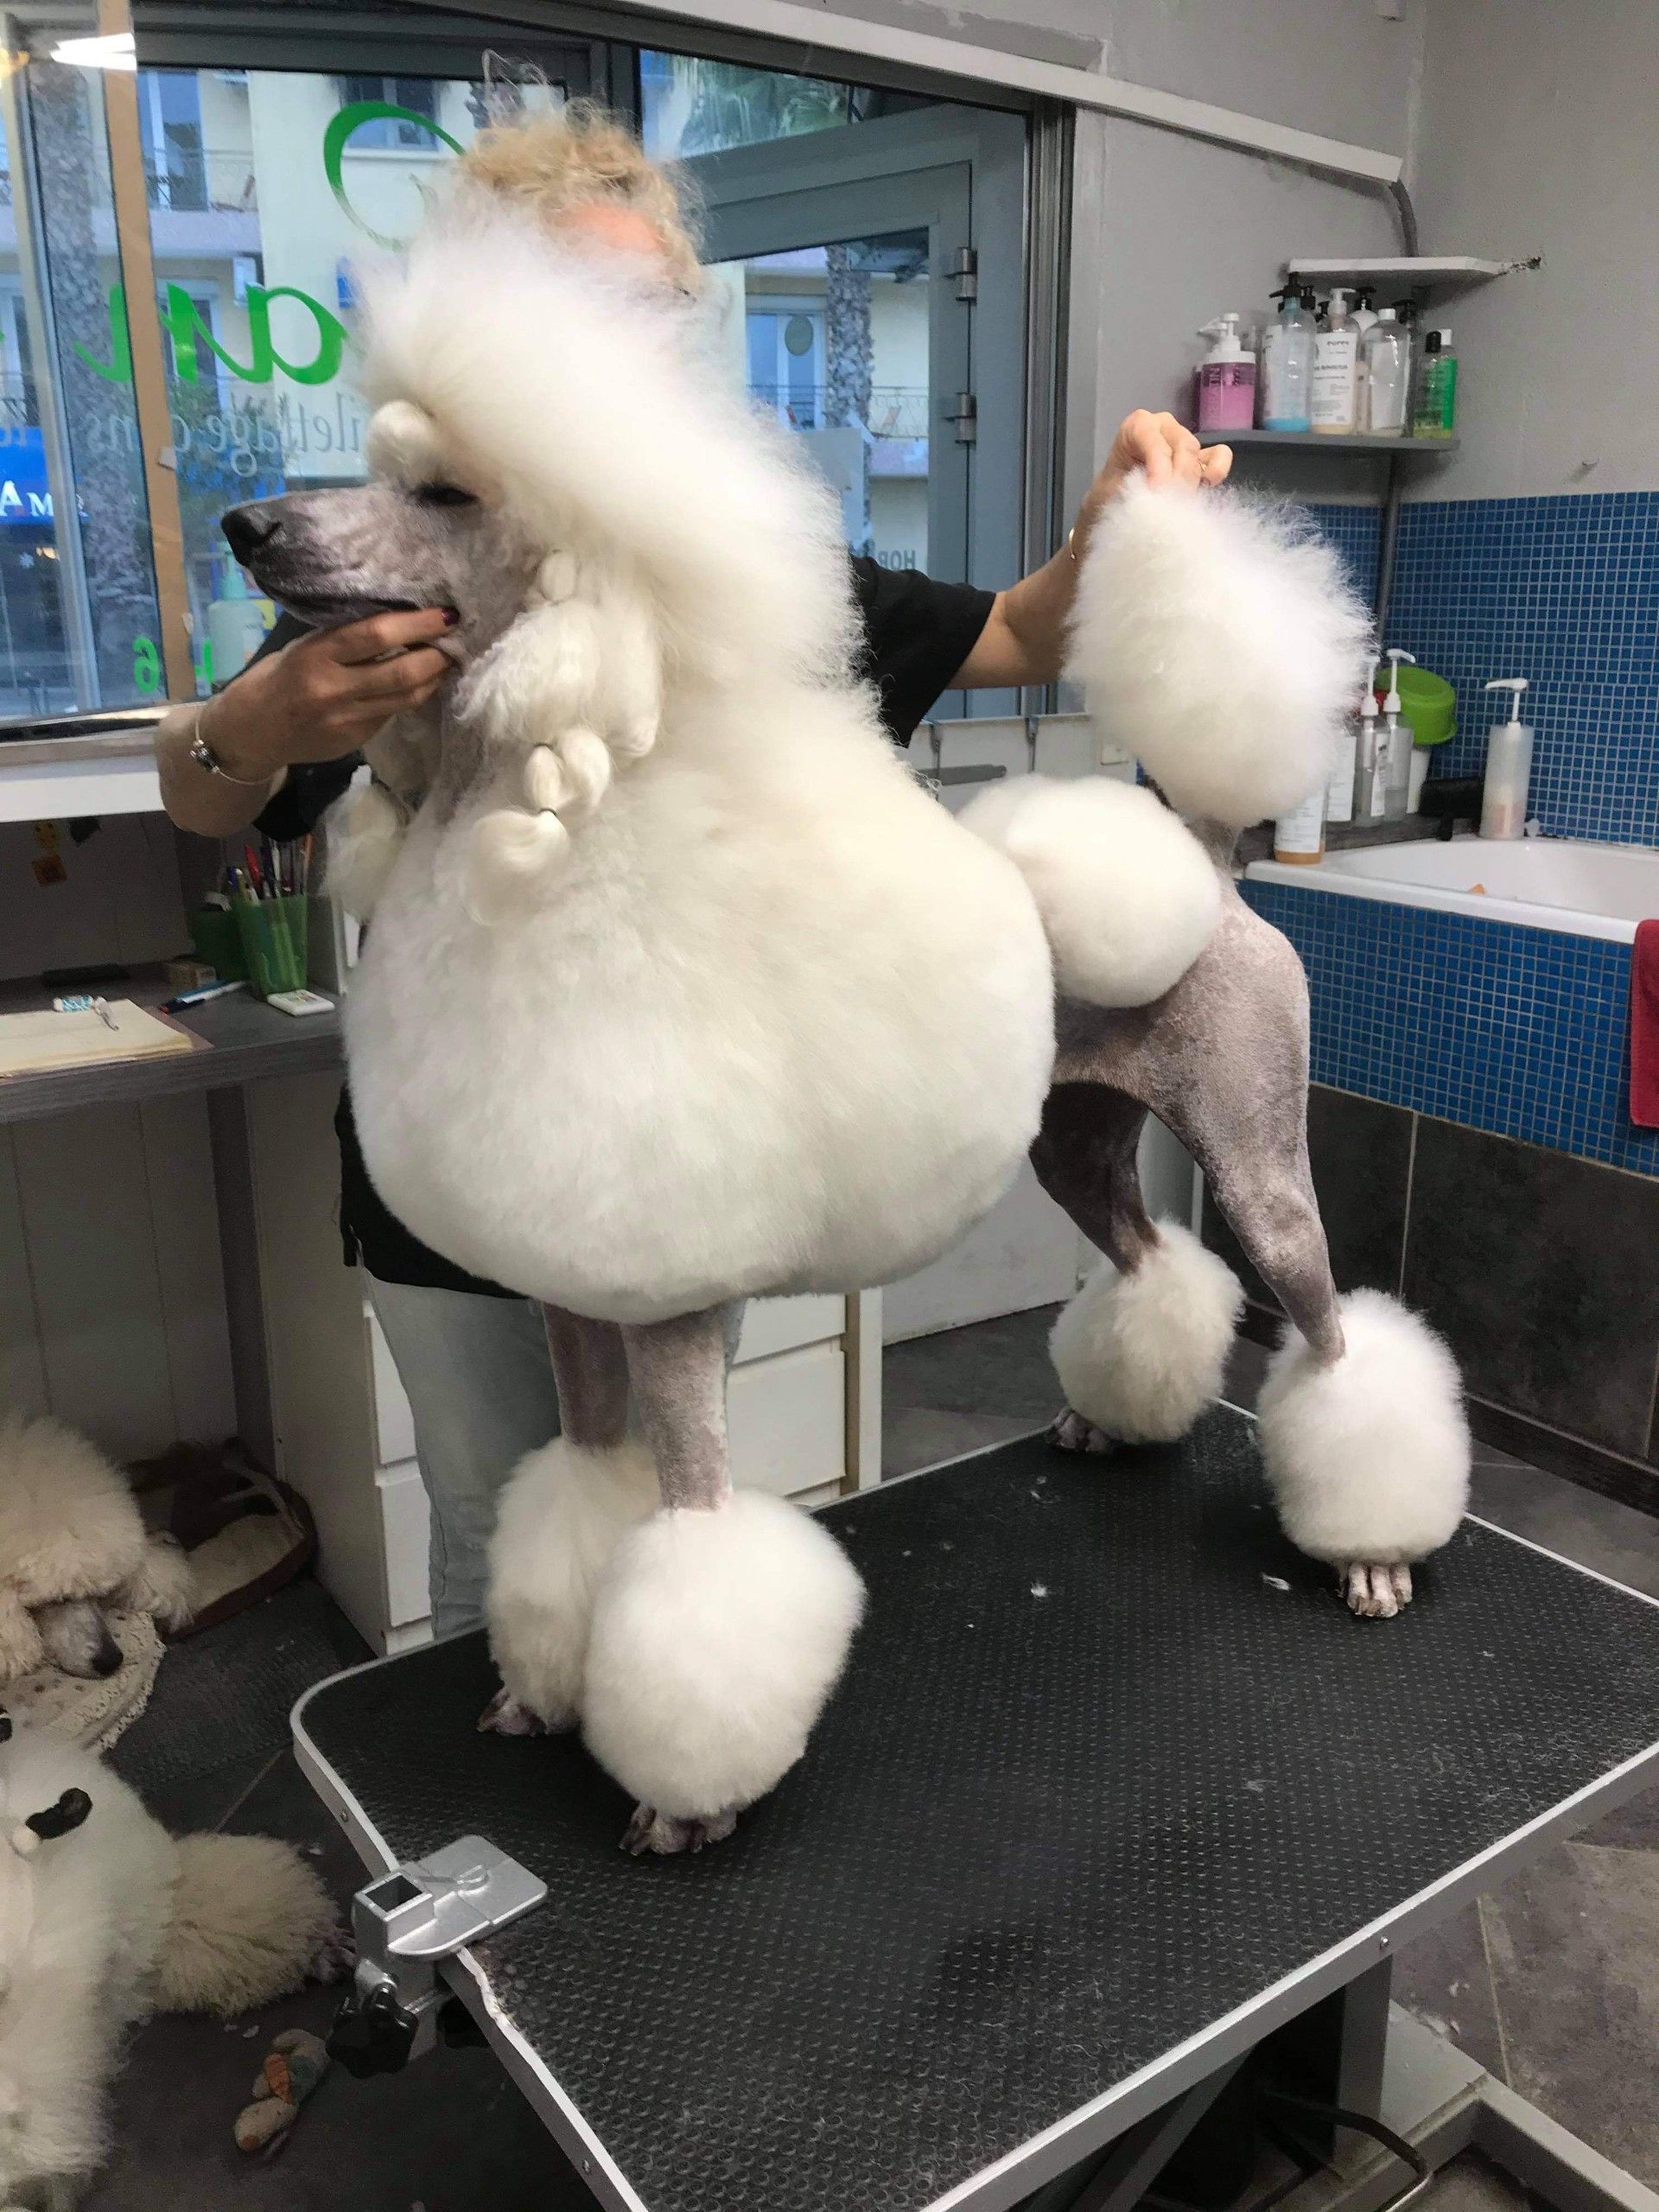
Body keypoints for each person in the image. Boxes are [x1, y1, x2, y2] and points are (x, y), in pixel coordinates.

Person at [157, 106, 1233, 1639]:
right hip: (461, 1159)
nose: (635, 352)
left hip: (684, 1148)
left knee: (679, 1485)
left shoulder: (754, 565)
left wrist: (1112, 523)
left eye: (659, 316)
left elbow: (1015, 633)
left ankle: (687, 1710)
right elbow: (211, 802)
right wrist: (245, 725)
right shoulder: (416, 545)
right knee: (494, 1521)